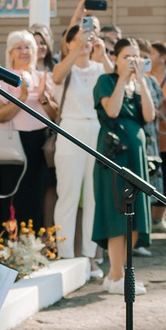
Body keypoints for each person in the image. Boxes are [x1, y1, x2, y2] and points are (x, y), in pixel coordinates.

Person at [93, 37, 157, 296]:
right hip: (114, 158)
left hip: (137, 158)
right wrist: (121, 77)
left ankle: (115, 274)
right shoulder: (106, 81)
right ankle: (117, 274)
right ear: (116, 59)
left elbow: (150, 116)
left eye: (136, 56)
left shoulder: (142, 84)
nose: (132, 61)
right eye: (126, 57)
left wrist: (140, 79)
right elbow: (112, 111)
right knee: (116, 214)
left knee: (136, 217)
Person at [48, 22, 109, 258]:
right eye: (79, 38)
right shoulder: (66, 66)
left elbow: (114, 79)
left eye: (89, 37)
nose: (85, 42)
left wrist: (102, 54)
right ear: (70, 43)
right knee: (68, 194)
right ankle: (65, 254)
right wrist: (76, 49)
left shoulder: (99, 67)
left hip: (96, 128)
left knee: (94, 196)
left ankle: (90, 255)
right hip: (70, 128)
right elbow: (56, 76)